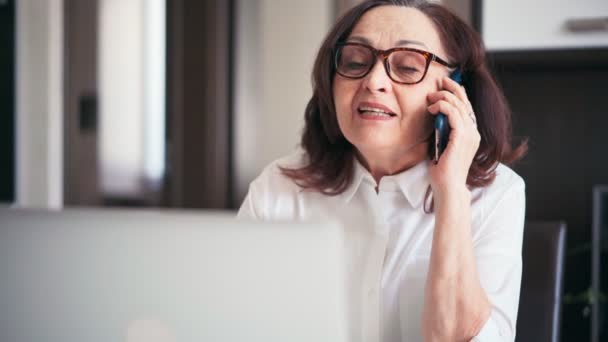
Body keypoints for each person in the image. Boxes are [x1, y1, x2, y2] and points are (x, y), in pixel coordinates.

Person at [238, 0, 528, 341]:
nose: (374, 81)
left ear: (455, 91)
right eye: (356, 62)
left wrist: (450, 193)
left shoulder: (496, 194)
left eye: (407, 67)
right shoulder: (278, 186)